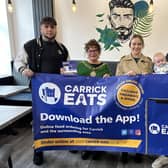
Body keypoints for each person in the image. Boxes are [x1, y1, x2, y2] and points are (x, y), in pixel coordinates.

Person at [14, 16, 69, 165]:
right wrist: (24, 70)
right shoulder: (30, 46)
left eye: (52, 27)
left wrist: (67, 72)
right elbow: (18, 61)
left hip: (60, 92)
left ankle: (68, 142)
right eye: (46, 27)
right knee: (39, 122)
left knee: (62, 119)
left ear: (56, 29)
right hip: (39, 93)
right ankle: (38, 150)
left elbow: (68, 67)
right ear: (41, 28)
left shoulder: (62, 48)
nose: (50, 30)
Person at [116, 34, 153, 163]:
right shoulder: (123, 61)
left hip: (142, 99)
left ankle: (138, 151)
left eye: (139, 44)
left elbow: (153, 80)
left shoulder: (148, 61)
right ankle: (124, 151)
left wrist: (148, 76)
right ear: (130, 45)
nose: (136, 46)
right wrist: (126, 76)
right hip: (126, 98)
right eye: (134, 44)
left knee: (140, 124)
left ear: (142, 46)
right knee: (125, 124)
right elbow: (116, 80)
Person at [77, 39, 111, 160]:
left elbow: (109, 85)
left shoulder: (105, 66)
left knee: (98, 124)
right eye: (90, 51)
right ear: (87, 52)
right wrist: (65, 74)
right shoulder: (81, 66)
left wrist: (108, 77)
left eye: (95, 50)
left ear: (99, 52)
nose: (92, 53)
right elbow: (74, 82)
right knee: (85, 124)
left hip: (99, 102)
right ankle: (85, 148)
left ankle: (97, 148)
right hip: (84, 101)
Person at [152, 52, 168, 168]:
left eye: (162, 60)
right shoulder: (156, 69)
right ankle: (165, 155)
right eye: (159, 61)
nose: (161, 62)